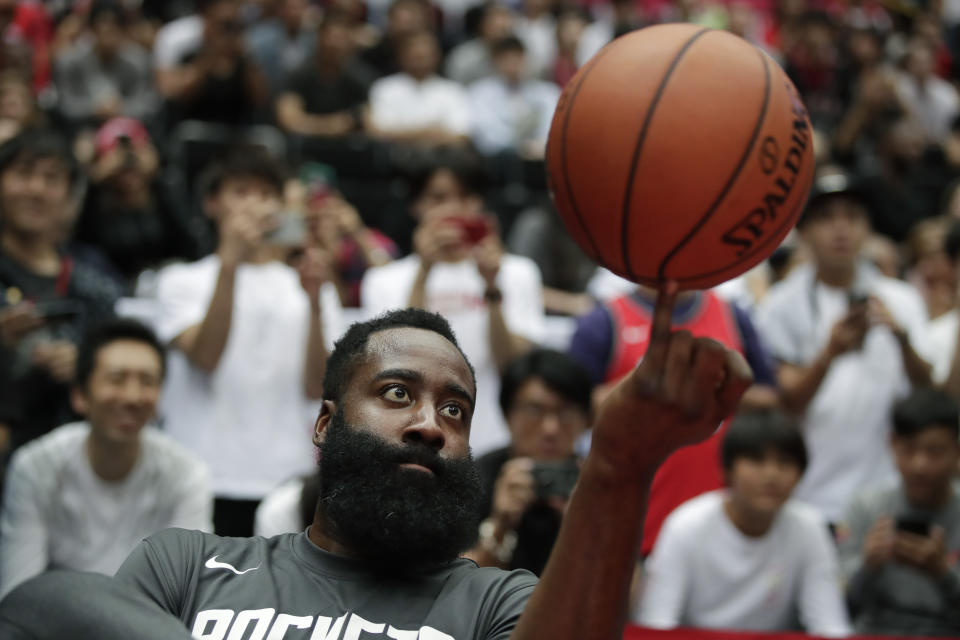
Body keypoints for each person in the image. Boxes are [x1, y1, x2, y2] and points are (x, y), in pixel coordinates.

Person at [0, 286, 754, 639]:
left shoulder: (497, 603)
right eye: (397, 393)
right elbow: (42, 610)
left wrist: (616, 465)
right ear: (326, 424)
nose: (429, 424)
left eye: (456, 410)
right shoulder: (191, 567)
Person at [154, 149, 342, 537]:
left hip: (285, 475)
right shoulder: (180, 280)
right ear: (211, 204)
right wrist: (229, 263)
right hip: (201, 471)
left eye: (265, 194)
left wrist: (314, 303)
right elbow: (206, 358)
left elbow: (316, 388)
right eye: (241, 192)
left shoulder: (310, 283)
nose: (255, 204)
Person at [756, 167, 932, 525]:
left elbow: (927, 393)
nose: (841, 229)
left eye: (852, 217)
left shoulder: (902, 299)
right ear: (803, 231)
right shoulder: (780, 305)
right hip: (811, 496)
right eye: (826, 219)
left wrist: (902, 341)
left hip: (888, 492)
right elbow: (786, 404)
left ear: (868, 229)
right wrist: (829, 355)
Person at [0, 319, 212, 599]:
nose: (132, 397)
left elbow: (190, 592)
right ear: (79, 395)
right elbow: (18, 595)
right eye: (116, 379)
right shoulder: (37, 467)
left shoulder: (186, 473)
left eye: (147, 381)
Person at [570, 283, 778, 556]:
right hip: (634, 521)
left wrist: (715, 381)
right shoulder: (603, 320)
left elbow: (771, 399)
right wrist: (647, 377)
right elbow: (572, 409)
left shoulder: (732, 314)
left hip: (721, 515)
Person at [361, 161, 545, 455]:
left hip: (495, 442)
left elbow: (515, 369)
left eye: (465, 197)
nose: (453, 209)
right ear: (416, 206)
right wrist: (424, 271)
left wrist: (492, 288)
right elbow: (395, 360)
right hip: (412, 442)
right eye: (439, 198)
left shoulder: (518, 273)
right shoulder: (384, 280)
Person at [635, 411, 851, 636]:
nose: (771, 475)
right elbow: (657, 625)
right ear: (727, 469)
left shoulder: (809, 528)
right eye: (757, 461)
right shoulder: (685, 527)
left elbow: (830, 626)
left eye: (785, 462)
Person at [0, 129, 122, 451]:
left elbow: (122, 370)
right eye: (23, 174)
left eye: (51, 179)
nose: (36, 190)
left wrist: (85, 367)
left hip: (74, 458)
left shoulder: (95, 284)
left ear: (70, 197)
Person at [837, 387, 960, 636]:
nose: (920, 464)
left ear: (957, 452)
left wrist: (942, 573)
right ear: (892, 444)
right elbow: (839, 604)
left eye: (934, 452)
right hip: (875, 632)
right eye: (909, 449)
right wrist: (869, 566)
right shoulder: (865, 506)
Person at [465, 348, 592, 575]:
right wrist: (500, 525)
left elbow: (626, 595)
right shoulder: (474, 478)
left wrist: (585, 529)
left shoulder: (598, 483)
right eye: (535, 411)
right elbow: (461, 588)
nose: (550, 429)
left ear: (586, 419)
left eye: (565, 413)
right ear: (507, 414)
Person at [74, 117, 199, 288]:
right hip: (112, 288)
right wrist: (96, 180)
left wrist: (156, 175)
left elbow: (191, 246)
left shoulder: (163, 193)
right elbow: (80, 241)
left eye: (137, 153)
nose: (128, 165)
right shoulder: (96, 202)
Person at [156, 0, 267, 127]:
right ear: (208, 24)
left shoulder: (245, 61)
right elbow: (179, 95)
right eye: (222, 26)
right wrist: (210, 57)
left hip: (237, 136)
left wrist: (245, 55)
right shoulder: (191, 56)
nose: (226, 33)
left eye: (232, 26)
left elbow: (260, 99)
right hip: (194, 138)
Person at [53, 0, 159, 134]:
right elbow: (65, 105)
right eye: (101, 30)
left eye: (113, 30)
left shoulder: (138, 61)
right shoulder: (70, 61)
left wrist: (121, 109)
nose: (107, 37)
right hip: (84, 127)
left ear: (123, 30)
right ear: (90, 30)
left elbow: (147, 104)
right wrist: (94, 109)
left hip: (128, 127)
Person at [275, 12, 375, 140]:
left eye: (340, 38)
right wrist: (331, 126)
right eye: (330, 37)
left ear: (350, 42)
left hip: (348, 148)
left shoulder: (361, 77)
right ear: (319, 39)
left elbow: (370, 124)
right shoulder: (298, 74)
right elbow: (288, 120)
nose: (334, 44)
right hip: (305, 146)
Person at [368, 30, 472, 147]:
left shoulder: (453, 91)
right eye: (415, 56)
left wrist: (402, 133)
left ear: (437, 56)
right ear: (401, 56)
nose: (419, 61)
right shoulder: (385, 88)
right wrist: (428, 132)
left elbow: (461, 136)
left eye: (424, 56)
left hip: (440, 156)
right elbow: (376, 132)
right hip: (393, 156)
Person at [468, 36, 559, 158]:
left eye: (517, 57)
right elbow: (486, 136)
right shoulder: (480, 92)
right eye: (506, 59)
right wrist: (521, 147)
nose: (512, 63)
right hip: (500, 159)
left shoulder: (545, 91)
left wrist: (539, 144)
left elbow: (551, 124)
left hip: (539, 153)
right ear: (495, 61)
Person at [445, 2, 515, 86]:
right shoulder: (463, 58)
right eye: (494, 27)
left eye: (504, 29)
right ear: (482, 26)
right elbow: (454, 89)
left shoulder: (519, 57)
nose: (500, 34)